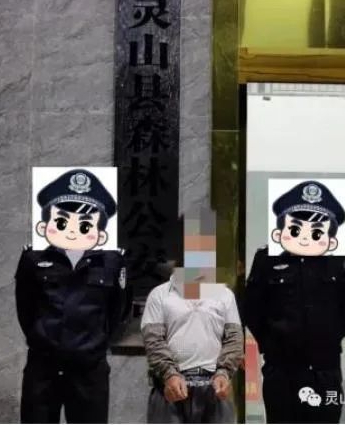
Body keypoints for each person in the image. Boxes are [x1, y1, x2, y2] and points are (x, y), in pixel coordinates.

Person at [14, 169, 126, 424]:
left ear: (100, 232)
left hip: (89, 369)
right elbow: (25, 308)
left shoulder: (112, 261)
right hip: (43, 367)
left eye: (85, 225)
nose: (73, 232)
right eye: (62, 223)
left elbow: (117, 311)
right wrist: (44, 338)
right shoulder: (34, 257)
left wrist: (93, 344)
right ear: (45, 226)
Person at [244, 180, 345, 423]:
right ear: (280, 232)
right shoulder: (267, 260)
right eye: (295, 230)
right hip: (282, 371)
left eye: (316, 232)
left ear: (330, 238)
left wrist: (325, 339)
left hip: (324, 370)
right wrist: (273, 343)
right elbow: (253, 310)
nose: (305, 238)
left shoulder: (337, 262)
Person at [141, 274, 244, 423]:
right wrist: (169, 374)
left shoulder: (225, 295)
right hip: (170, 389)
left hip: (214, 388)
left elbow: (234, 338)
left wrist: (224, 373)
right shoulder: (159, 294)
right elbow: (153, 339)